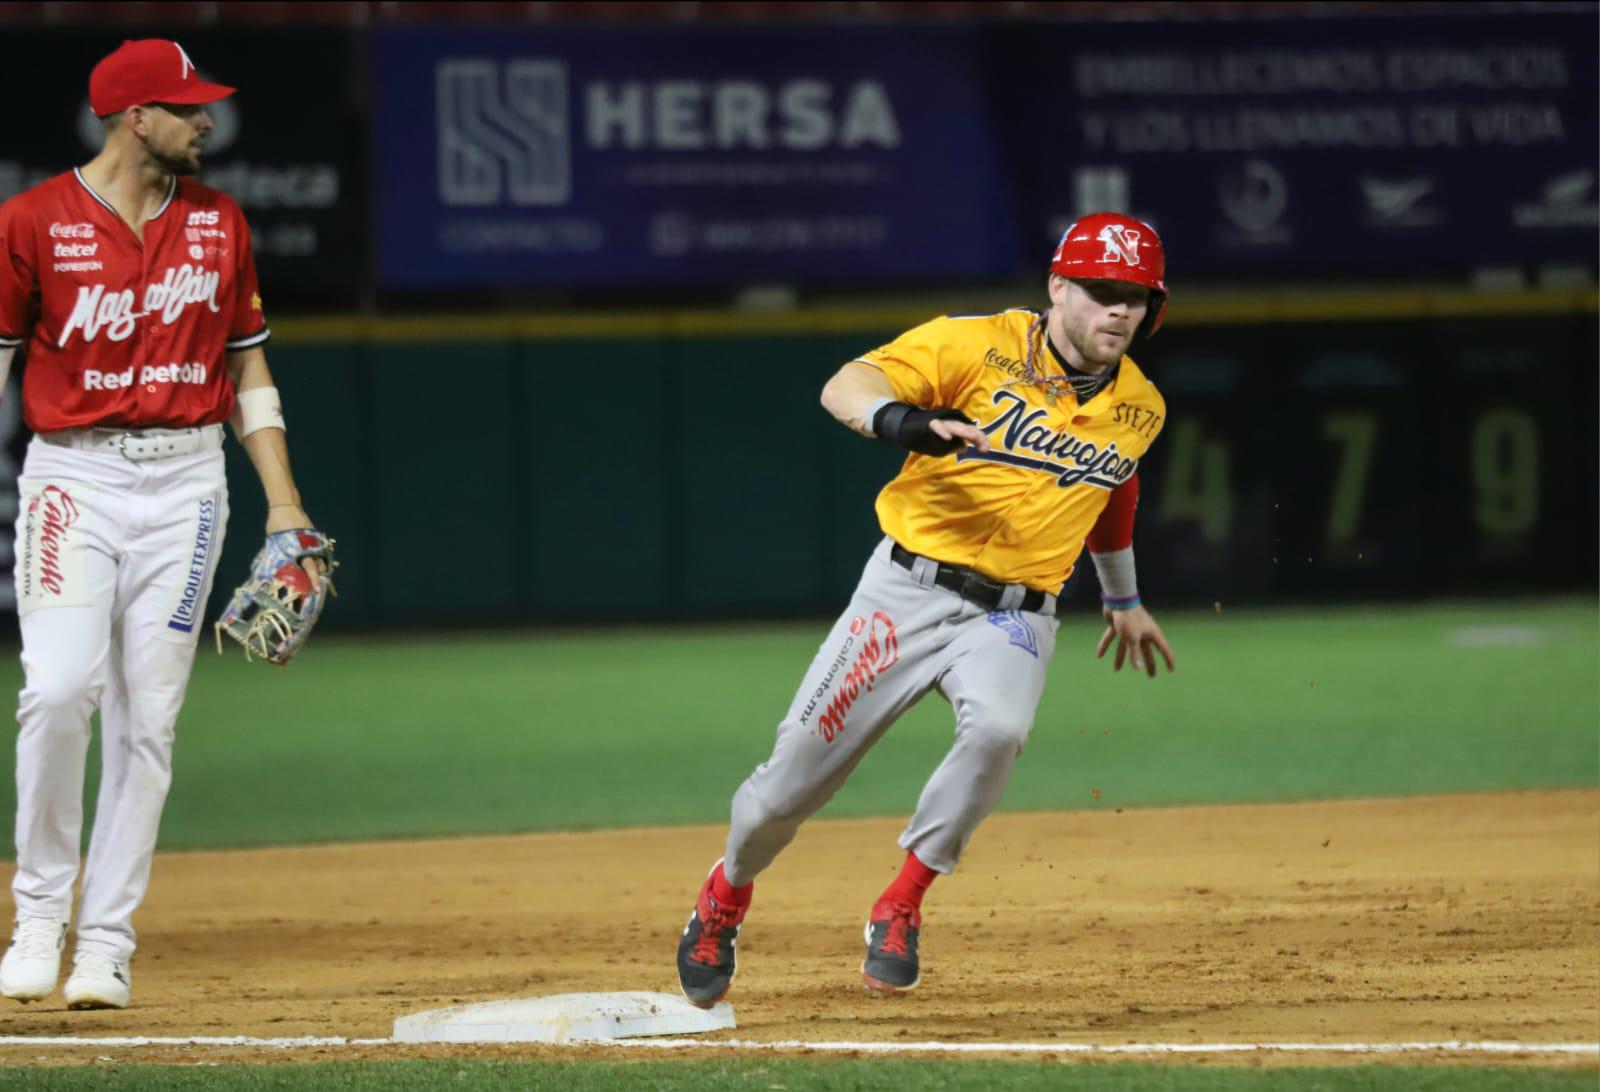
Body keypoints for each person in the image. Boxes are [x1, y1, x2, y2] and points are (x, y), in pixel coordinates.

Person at [676, 213, 1178, 1005]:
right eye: (1101, 291)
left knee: (1000, 730)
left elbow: (1117, 489)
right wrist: (904, 422)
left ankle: (902, 902)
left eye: (1137, 297)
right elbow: (846, 384)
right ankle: (725, 894)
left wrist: (1123, 596)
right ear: (1058, 287)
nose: (1119, 310)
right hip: (905, 592)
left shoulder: (1140, 404)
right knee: (786, 790)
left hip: (1016, 614)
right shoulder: (971, 344)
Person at [0, 39, 326, 1009]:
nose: (206, 122)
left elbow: (247, 370)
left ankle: (104, 941)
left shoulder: (220, 224)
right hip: (74, 478)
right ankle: (38, 916)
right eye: (186, 108)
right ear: (134, 117)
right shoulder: (30, 221)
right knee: (58, 691)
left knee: (150, 722)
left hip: (187, 484)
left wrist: (284, 501)